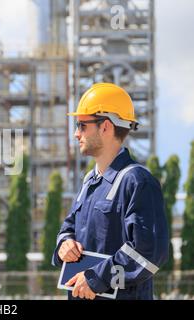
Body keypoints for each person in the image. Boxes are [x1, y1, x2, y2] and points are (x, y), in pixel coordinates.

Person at [52, 83, 169, 300]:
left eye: (81, 125)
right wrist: (64, 245)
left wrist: (97, 278)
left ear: (105, 126)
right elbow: (68, 228)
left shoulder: (137, 181)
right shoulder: (90, 181)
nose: (76, 134)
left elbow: (149, 254)